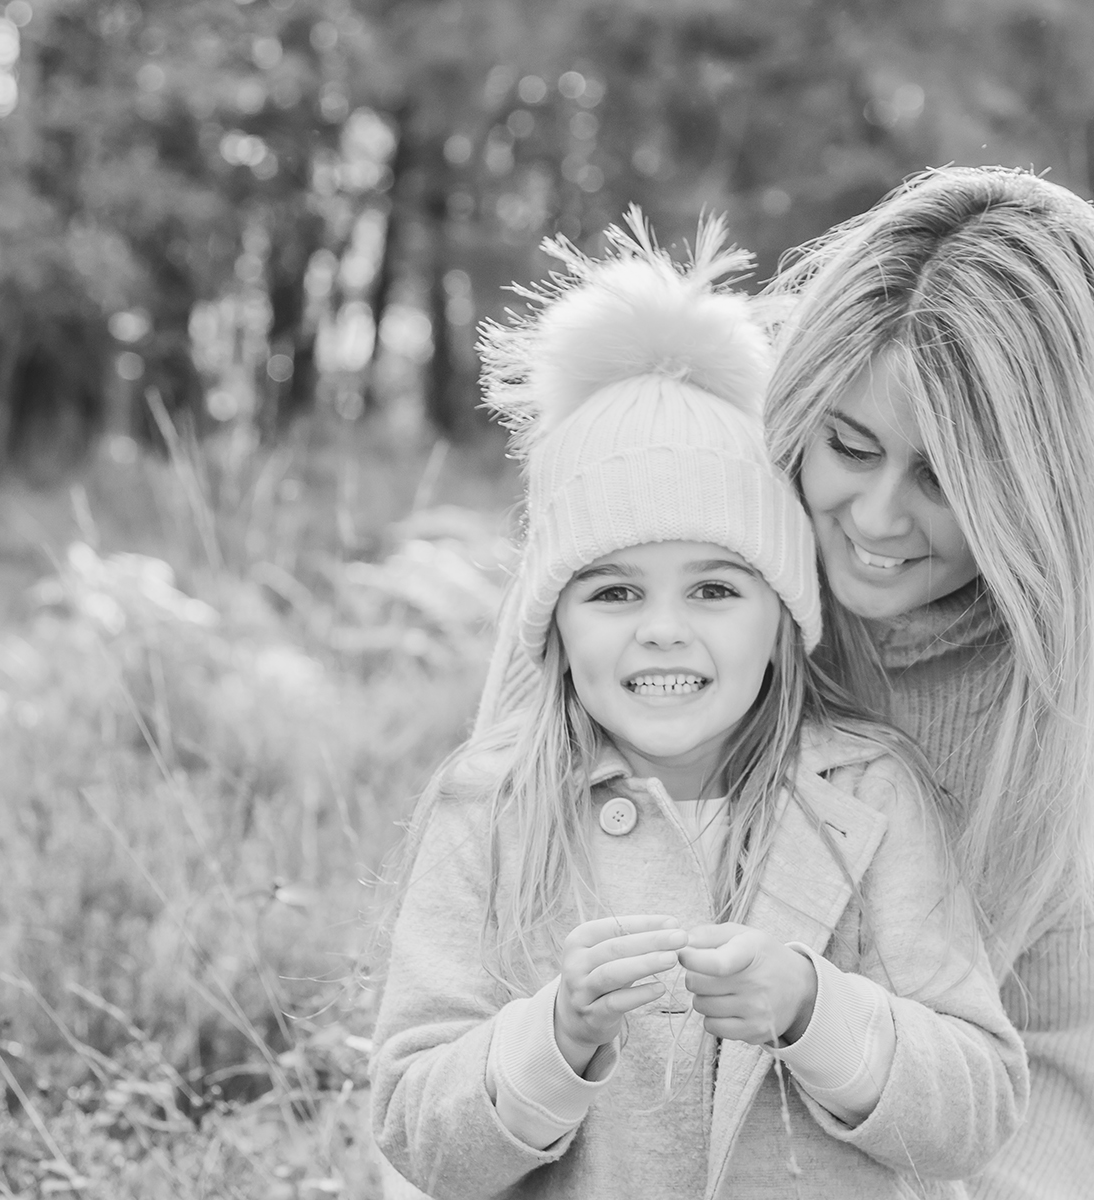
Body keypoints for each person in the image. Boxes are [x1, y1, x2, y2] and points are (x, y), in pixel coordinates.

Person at [473, 169, 1094, 1200]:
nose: (874, 519)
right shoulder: (672, 512)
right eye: (850, 446)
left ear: (1042, 480)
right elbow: (486, 934)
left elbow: (1081, 1041)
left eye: (946, 478)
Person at [371, 214, 1027, 1200]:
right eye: (614, 592)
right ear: (554, 626)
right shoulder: (493, 807)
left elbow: (976, 1110)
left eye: (715, 589)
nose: (664, 631)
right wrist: (557, 1035)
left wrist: (814, 1008)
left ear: (783, 617)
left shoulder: (869, 797)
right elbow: (415, 1131)